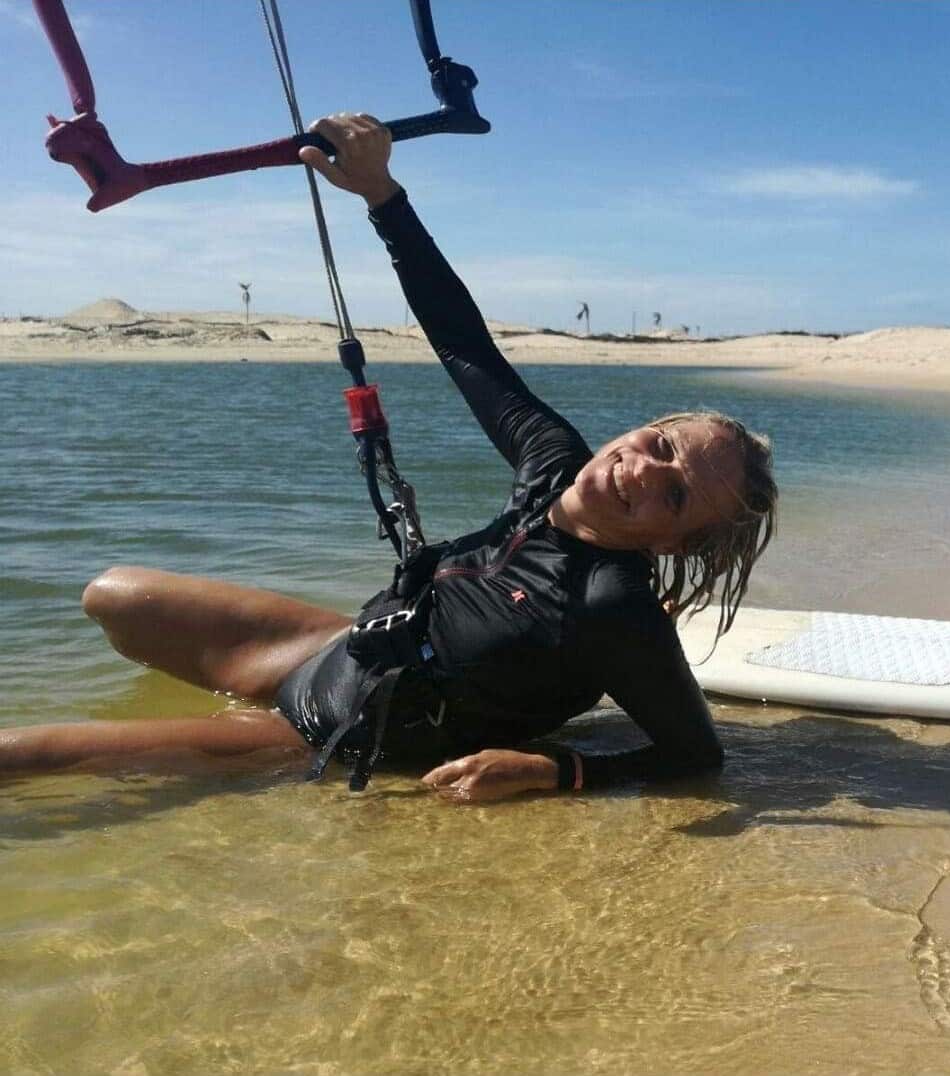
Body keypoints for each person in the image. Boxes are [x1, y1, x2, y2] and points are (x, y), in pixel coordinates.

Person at [0, 114, 778, 802]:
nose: (645, 471)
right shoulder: (552, 460)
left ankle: (229, 748)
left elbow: (693, 755)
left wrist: (559, 770)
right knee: (111, 596)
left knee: (18, 758)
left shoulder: (613, 607)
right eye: (662, 446)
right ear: (641, 428)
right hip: (333, 647)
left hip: (331, 727)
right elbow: (464, 345)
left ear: (671, 540)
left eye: (675, 496)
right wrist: (382, 197)